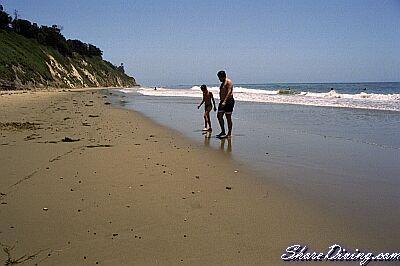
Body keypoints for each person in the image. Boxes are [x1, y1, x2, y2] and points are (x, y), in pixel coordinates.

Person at [216, 70, 234, 138]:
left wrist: (225, 101)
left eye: (219, 77)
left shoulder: (228, 82)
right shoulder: (222, 83)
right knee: (219, 116)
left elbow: (229, 92)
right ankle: (223, 131)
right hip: (222, 101)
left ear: (223, 76)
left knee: (228, 118)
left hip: (228, 101)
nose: (219, 79)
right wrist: (222, 101)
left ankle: (229, 133)